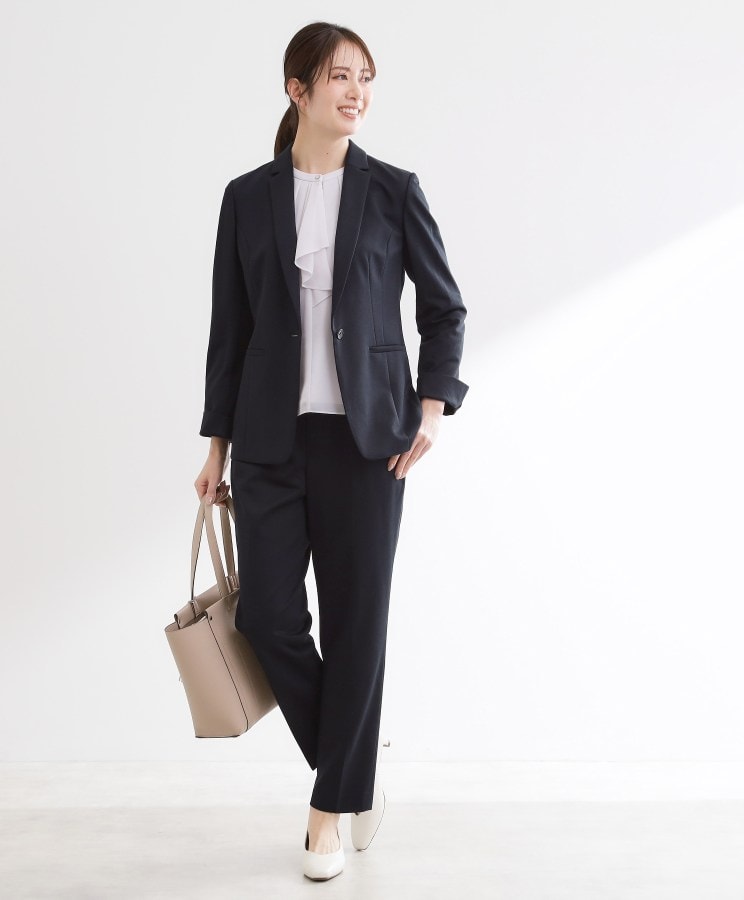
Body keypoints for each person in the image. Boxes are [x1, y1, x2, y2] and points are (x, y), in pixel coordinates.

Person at [194, 21, 469, 882]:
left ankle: (326, 816)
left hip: (368, 445)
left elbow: (444, 308)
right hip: (268, 443)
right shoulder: (247, 197)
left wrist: (433, 408)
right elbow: (230, 329)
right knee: (268, 619)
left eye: (365, 78)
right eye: (340, 76)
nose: (357, 92)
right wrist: (216, 446)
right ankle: (354, 772)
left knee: (357, 624)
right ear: (298, 89)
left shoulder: (393, 190)